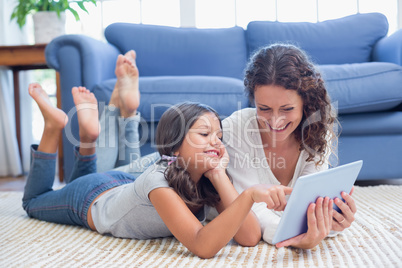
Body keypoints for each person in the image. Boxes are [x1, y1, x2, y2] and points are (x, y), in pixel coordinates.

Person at [22, 73, 297, 258]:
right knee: (34, 201)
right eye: (204, 135)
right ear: (175, 145)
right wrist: (249, 195)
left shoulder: (207, 176)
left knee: (112, 170)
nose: (216, 142)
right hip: (90, 199)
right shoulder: (159, 182)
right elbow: (202, 245)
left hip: (123, 182)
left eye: (219, 136)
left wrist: (218, 173)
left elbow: (248, 237)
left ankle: (91, 136)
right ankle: (52, 128)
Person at [220, 44, 357, 249]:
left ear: (306, 103)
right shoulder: (235, 128)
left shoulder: (318, 130)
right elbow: (253, 213)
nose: (275, 121)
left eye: (287, 109)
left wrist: (329, 221)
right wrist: (298, 237)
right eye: (264, 108)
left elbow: (310, 207)